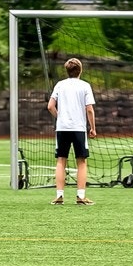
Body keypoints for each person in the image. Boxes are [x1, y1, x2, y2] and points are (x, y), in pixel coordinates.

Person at [47, 57, 96, 206]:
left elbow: (50, 106)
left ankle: (59, 196)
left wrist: (60, 117)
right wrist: (93, 128)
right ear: (80, 70)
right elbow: (89, 109)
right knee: (81, 161)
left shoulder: (60, 85)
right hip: (78, 128)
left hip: (62, 128)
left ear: (67, 71)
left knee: (61, 160)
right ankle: (81, 196)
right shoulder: (85, 86)